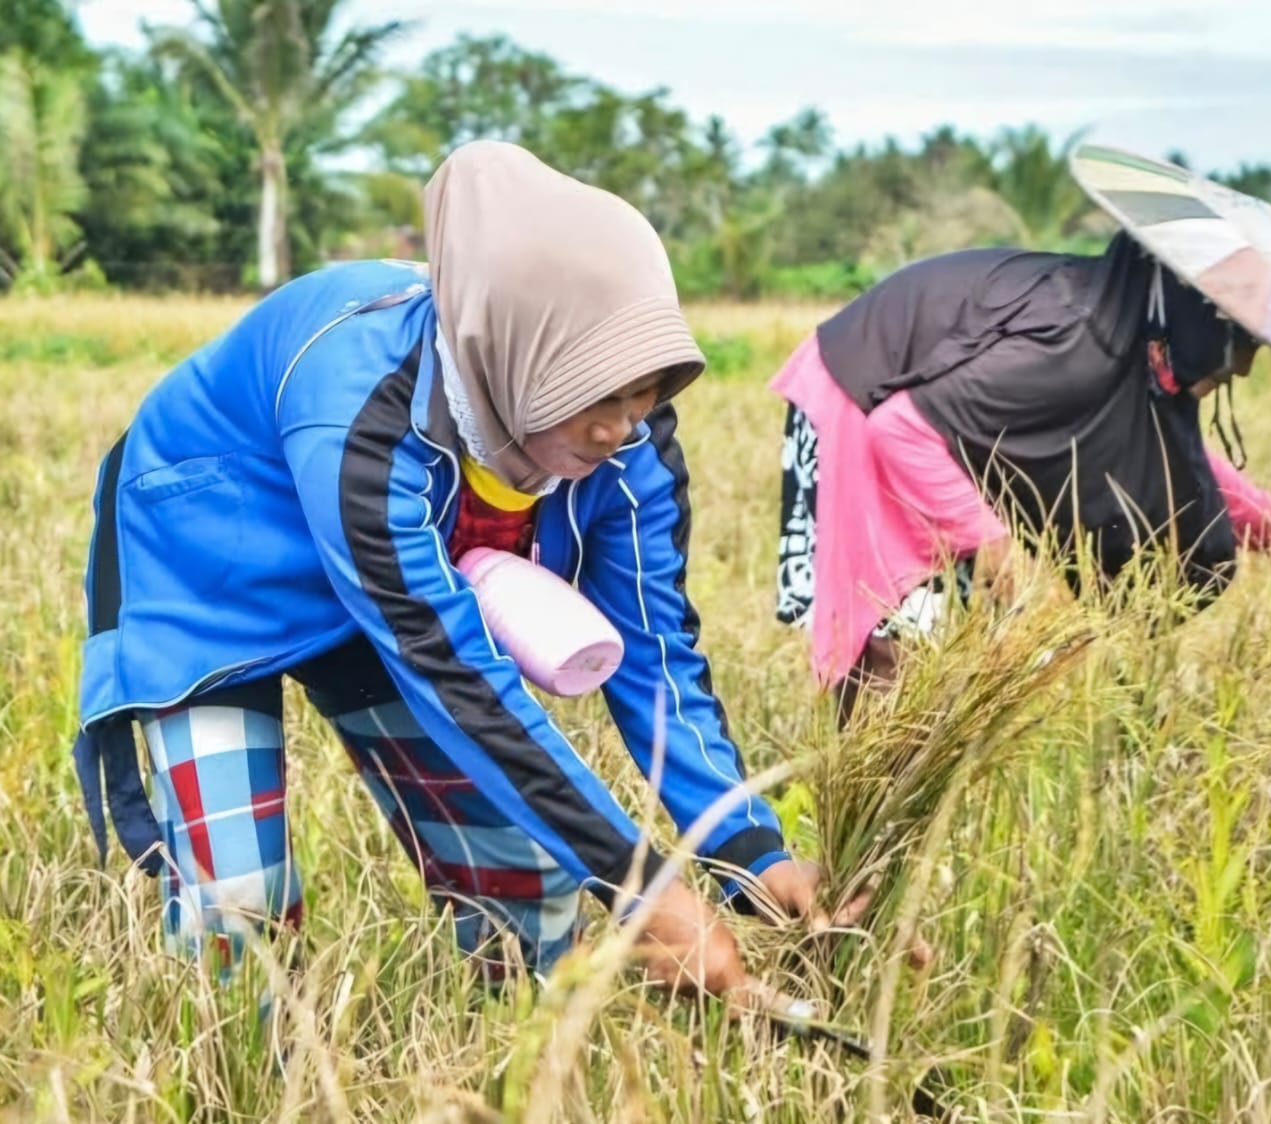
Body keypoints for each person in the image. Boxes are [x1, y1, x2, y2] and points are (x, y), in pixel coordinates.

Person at [72, 140, 832, 997]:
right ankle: (235, 1083)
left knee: (527, 881)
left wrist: (748, 855)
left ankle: (511, 1068)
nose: (622, 427)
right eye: (596, 397)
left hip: (395, 590)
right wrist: (646, 889)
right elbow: (459, 677)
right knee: (239, 902)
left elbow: (656, 660)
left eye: (644, 393)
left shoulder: (633, 445)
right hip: (210, 556)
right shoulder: (365, 420)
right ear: (514, 358)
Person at [771, 226, 1271, 718]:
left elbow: (1181, 465)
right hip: (860, 402)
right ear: (1203, 318)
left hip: (948, 432)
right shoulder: (1080, 343)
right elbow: (900, 429)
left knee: (949, 666)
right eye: (1240, 348)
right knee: (892, 657)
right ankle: (864, 835)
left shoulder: (1143, 344)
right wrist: (997, 548)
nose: (1240, 372)